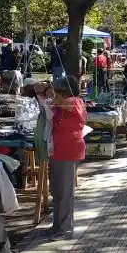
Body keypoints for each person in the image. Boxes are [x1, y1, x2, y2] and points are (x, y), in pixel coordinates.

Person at [45, 75, 87, 240]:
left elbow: (61, 102)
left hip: (69, 151)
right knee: (56, 191)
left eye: (58, 91)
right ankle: (57, 226)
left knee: (65, 191)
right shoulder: (59, 104)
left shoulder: (75, 101)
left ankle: (65, 229)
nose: (55, 94)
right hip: (56, 151)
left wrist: (50, 88)